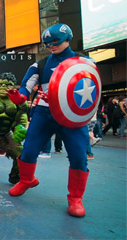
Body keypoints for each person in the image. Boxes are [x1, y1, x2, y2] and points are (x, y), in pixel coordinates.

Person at [8, 23, 93, 217]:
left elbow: (93, 88)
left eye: (55, 41)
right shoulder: (41, 64)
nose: (51, 46)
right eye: (47, 43)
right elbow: (26, 86)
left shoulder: (84, 61)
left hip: (73, 118)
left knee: (79, 156)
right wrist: (19, 97)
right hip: (44, 114)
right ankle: (26, 180)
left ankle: (75, 198)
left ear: (67, 39)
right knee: (28, 150)